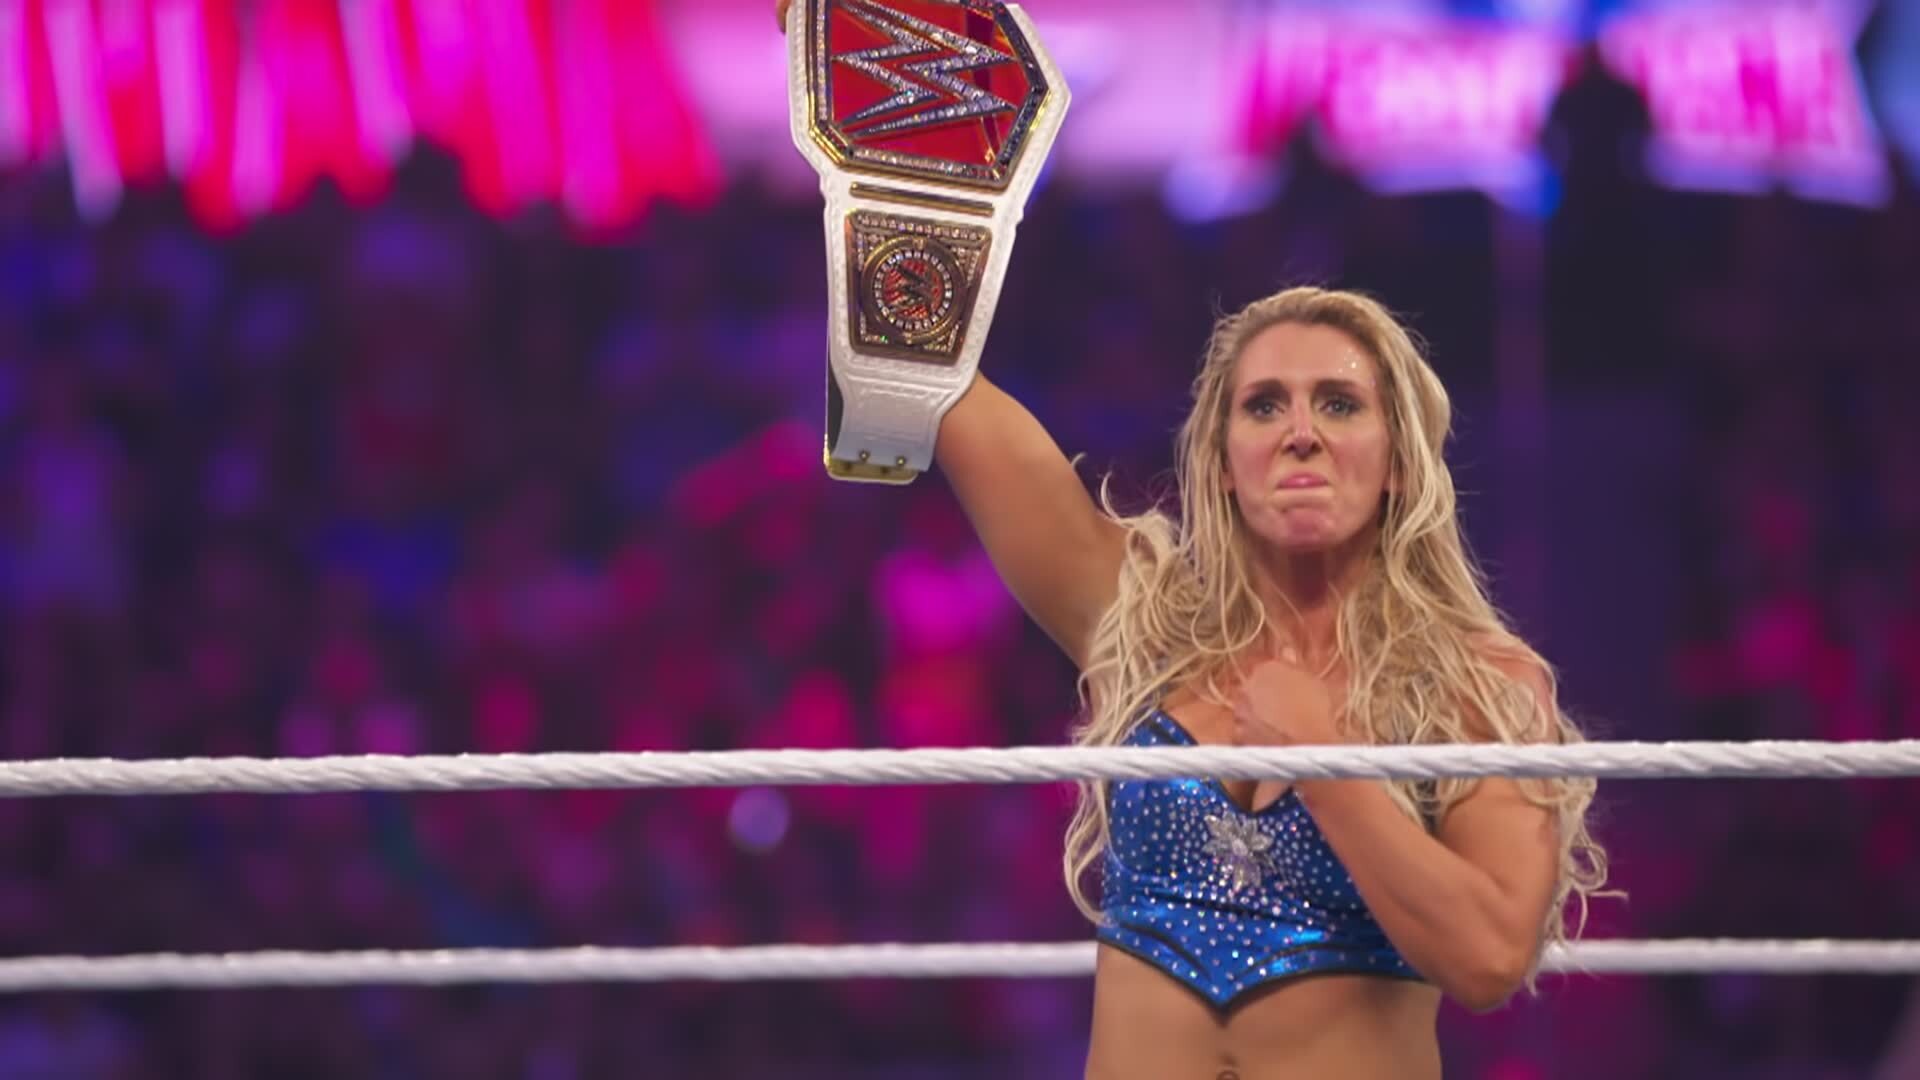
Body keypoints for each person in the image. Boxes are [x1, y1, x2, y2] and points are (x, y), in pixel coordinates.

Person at [775, 9, 1607, 1078]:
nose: (1300, 431)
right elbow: (931, 388)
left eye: (1338, 404)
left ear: (1400, 460)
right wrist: (890, 191)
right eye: (1264, 406)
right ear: (1219, 462)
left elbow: (1491, 958)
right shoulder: (1142, 628)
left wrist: (1326, 764)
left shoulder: (1480, 685)